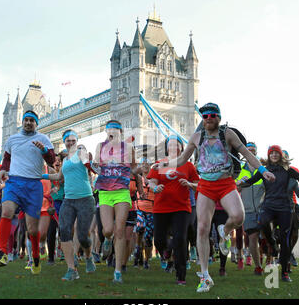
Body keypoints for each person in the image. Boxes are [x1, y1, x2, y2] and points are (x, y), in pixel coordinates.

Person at [154, 103, 275, 292]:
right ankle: (205, 276)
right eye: (205, 116)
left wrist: (263, 170)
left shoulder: (227, 134)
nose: (208, 118)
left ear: (218, 117)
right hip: (206, 186)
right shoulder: (196, 137)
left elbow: (245, 153)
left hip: (226, 183)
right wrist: (163, 166)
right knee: (202, 228)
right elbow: (182, 160)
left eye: (212, 115)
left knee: (238, 217)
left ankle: (224, 232)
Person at [237, 144, 299, 282]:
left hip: (285, 208)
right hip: (269, 205)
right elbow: (251, 181)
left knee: (286, 239)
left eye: (277, 153)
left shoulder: (287, 170)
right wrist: (239, 184)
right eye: (272, 153)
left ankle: (284, 272)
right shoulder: (264, 170)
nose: (274, 155)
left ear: (280, 156)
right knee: (262, 222)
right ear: (269, 156)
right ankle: (272, 243)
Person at [0, 110, 55, 275]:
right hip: (14, 182)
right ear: (22, 121)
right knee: (6, 211)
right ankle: (2, 253)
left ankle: (35, 257)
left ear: (37, 123)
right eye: (26, 120)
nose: (29, 123)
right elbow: (7, 159)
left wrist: (44, 150)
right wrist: (3, 171)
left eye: (32, 121)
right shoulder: (12, 139)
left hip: (33, 185)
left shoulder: (43, 139)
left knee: (32, 229)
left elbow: (52, 160)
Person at [43, 129, 96, 280]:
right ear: (64, 142)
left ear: (77, 141)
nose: (71, 142)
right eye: (68, 140)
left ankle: (88, 256)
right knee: (64, 231)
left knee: (83, 236)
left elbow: (89, 164)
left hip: (86, 199)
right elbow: (59, 176)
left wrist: (86, 156)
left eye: (73, 140)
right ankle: (71, 269)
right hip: (68, 200)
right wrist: (42, 175)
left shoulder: (81, 153)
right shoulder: (65, 161)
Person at [147, 135, 199, 285]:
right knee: (159, 240)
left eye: (177, 145)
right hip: (161, 207)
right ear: (166, 148)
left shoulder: (188, 166)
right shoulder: (160, 164)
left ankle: (181, 275)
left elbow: (198, 184)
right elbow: (152, 181)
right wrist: (155, 188)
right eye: (171, 145)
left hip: (181, 207)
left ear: (182, 148)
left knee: (180, 239)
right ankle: (167, 250)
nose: (174, 148)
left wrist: (189, 184)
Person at [92, 120, 139, 284]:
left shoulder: (129, 148)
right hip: (105, 192)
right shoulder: (100, 146)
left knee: (120, 229)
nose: (111, 131)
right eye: (108, 129)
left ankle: (118, 271)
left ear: (121, 132)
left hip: (122, 192)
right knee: (108, 230)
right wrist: (95, 164)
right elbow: (97, 165)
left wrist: (135, 171)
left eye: (115, 129)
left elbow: (134, 167)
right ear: (106, 132)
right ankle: (107, 239)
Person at [235, 142, 264, 275]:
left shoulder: (263, 169)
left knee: (265, 238)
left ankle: (266, 258)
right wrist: (240, 183)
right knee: (252, 237)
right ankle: (258, 266)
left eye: (253, 150)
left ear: (256, 153)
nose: (251, 152)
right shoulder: (240, 169)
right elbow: (236, 189)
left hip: (263, 209)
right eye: (248, 150)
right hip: (247, 209)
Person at [282, 150, 299, 267]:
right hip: (277, 205)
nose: (283, 159)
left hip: (292, 205)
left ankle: (289, 253)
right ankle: (280, 252)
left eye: (285, 157)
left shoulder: (293, 171)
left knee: (294, 232)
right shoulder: (273, 170)